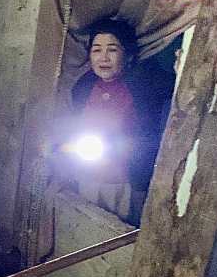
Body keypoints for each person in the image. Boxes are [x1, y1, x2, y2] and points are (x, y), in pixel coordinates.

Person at [61, 19, 174, 225]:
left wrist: (181, 64)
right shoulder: (84, 86)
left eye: (112, 49)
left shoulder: (144, 82)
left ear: (128, 54)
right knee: (84, 227)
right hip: (87, 177)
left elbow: (175, 88)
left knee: (119, 239)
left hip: (127, 183)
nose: (103, 57)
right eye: (96, 50)